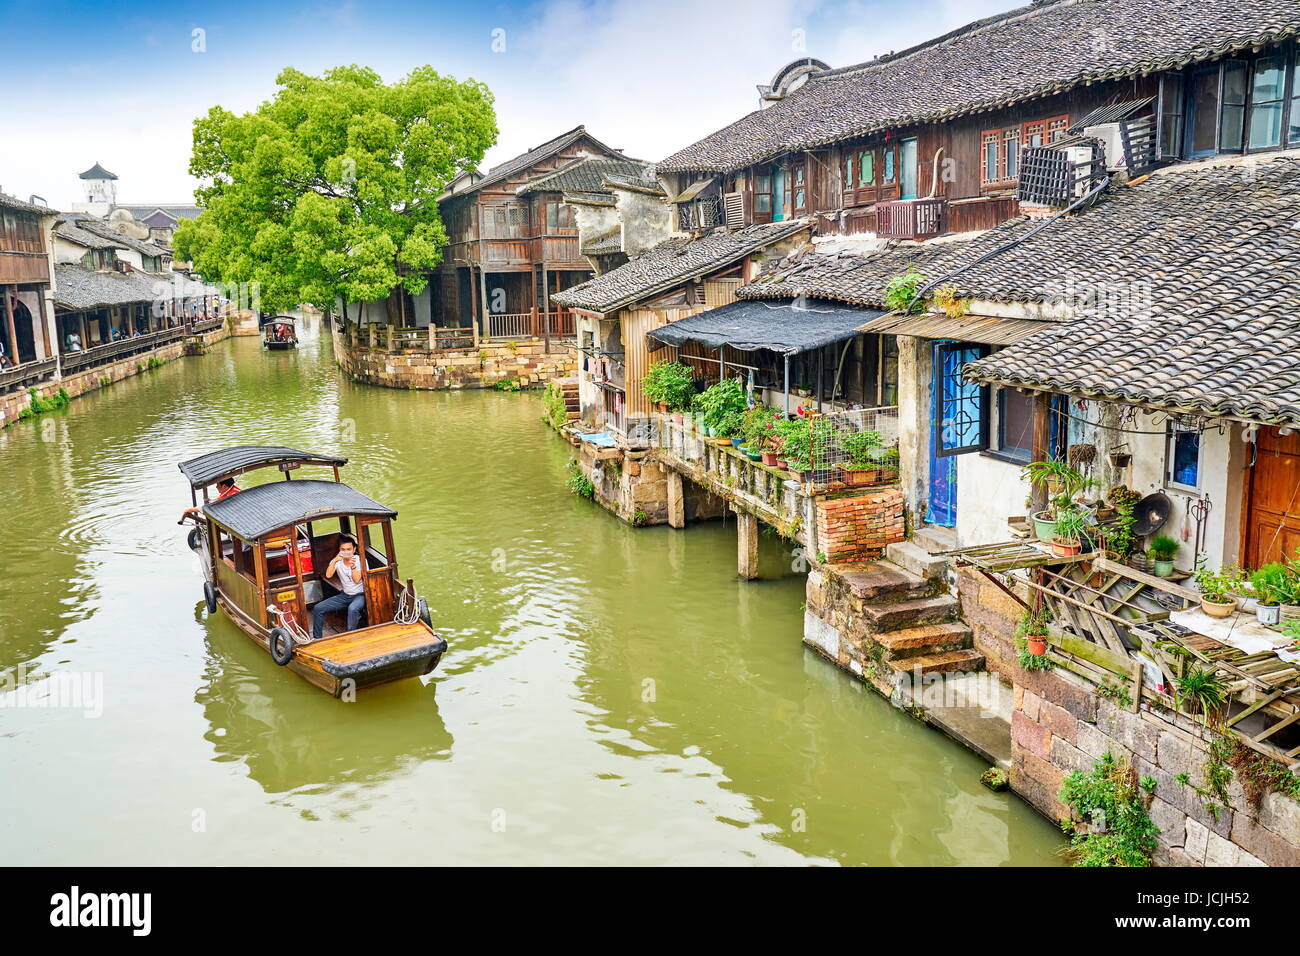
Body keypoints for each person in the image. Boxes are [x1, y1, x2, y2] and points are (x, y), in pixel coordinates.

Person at [313, 537, 366, 639]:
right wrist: (335, 561)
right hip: (345, 595)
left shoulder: (360, 560)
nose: (346, 552)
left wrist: (353, 566)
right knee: (318, 608)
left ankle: (352, 636)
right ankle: (317, 638)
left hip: (360, 595)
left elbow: (356, 580)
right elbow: (328, 575)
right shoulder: (337, 561)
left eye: (348, 549)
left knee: (352, 609)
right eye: (343, 549)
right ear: (339, 550)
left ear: (354, 549)